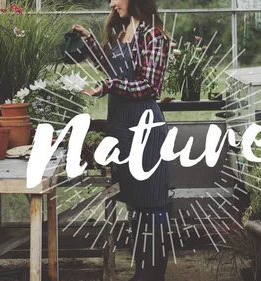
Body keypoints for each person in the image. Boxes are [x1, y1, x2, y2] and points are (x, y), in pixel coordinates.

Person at [72, 0, 171, 280]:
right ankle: (142, 272)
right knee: (135, 204)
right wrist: (90, 42)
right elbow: (111, 70)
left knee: (152, 203)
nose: (113, 3)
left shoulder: (153, 35)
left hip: (146, 129)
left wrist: (109, 86)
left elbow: (149, 86)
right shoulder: (122, 31)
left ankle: (151, 275)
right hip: (123, 128)